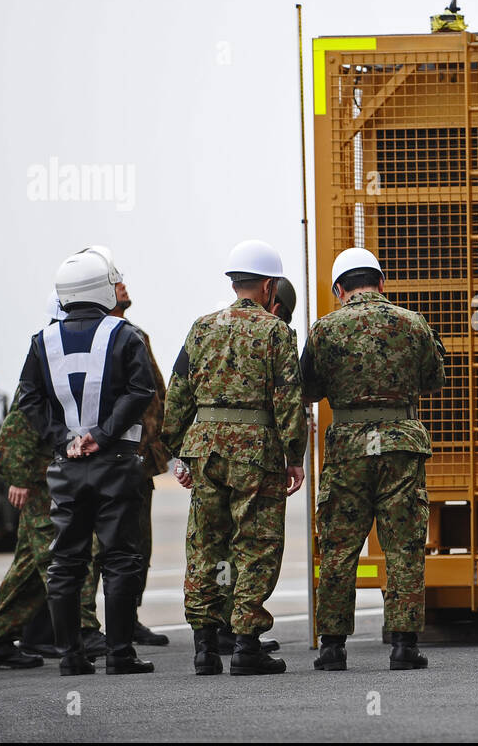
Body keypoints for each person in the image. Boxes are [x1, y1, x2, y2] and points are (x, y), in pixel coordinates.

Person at [162, 242, 307, 676]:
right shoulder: (275, 331)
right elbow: (288, 398)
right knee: (256, 545)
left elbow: (177, 394)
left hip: (205, 448)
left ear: (234, 282)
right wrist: (294, 454)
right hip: (256, 450)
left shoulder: (201, 328)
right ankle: (246, 644)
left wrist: (179, 452)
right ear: (268, 286)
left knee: (204, 545)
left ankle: (204, 647)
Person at [302, 247, 446, 672]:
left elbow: (306, 389)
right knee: (403, 544)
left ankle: (332, 648)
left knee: (339, 545)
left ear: (338, 290)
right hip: (400, 443)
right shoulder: (413, 323)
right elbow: (436, 378)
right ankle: (404, 645)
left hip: (348, 447)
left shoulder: (323, 330)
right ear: (381, 284)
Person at [17, 250, 157, 675]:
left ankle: (71, 658)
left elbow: (28, 398)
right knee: (120, 558)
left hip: (67, 466)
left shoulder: (42, 340)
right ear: (102, 287)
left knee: (67, 560)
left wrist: (66, 440)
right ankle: (120, 655)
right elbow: (141, 391)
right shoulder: (126, 334)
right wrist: (103, 435)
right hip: (116, 462)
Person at [73, 246, 171, 652]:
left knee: (136, 546)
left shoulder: (133, 334)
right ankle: (83, 627)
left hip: (139, 460)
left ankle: (126, 620)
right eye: (117, 282)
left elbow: (155, 395)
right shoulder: (89, 340)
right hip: (103, 458)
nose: (124, 285)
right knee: (96, 547)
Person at [0, 292, 65, 669]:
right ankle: (80, 634)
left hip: (48, 478)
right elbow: (19, 424)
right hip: (37, 480)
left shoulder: (56, 357)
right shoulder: (47, 359)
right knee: (54, 559)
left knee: (31, 564)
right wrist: (18, 476)